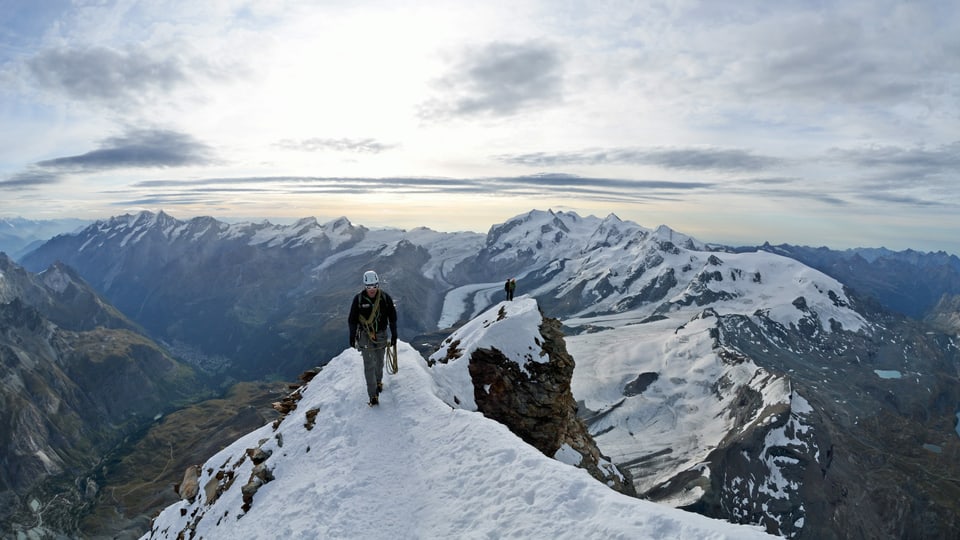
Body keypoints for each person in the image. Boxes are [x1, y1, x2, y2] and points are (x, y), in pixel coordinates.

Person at [348, 270, 398, 406]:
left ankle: (378, 381)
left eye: (374, 286)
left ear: (378, 285)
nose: (372, 290)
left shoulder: (385, 298)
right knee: (369, 365)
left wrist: (394, 334)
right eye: (369, 287)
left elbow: (392, 317)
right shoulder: (358, 300)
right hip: (365, 336)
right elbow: (352, 320)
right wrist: (352, 337)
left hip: (381, 335)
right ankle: (373, 395)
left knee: (380, 361)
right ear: (365, 286)